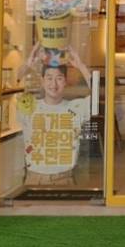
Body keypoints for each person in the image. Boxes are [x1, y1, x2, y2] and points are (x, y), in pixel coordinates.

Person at [17, 45, 91, 186]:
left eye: (59, 78)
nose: (54, 84)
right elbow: (12, 86)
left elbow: (101, 95)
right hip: (34, 179)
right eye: (49, 78)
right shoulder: (30, 106)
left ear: (65, 81)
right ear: (42, 81)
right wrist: (28, 65)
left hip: (65, 179)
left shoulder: (75, 108)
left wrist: (81, 66)